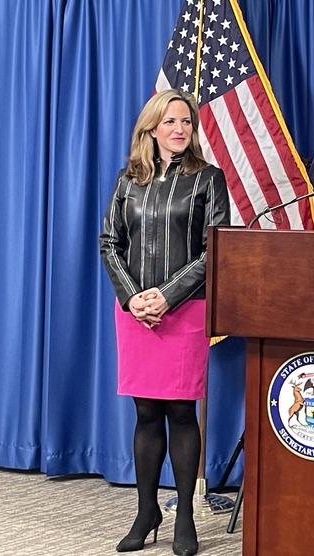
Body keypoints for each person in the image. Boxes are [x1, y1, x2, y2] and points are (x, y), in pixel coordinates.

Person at [99, 89, 230, 555]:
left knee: (180, 411)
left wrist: (167, 295)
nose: (180, 130)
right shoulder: (127, 179)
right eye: (172, 121)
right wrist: (135, 298)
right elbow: (109, 242)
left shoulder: (208, 179)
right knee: (146, 412)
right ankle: (145, 510)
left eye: (187, 123)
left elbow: (216, 249)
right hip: (134, 313)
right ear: (152, 128)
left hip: (185, 311)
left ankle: (186, 518)